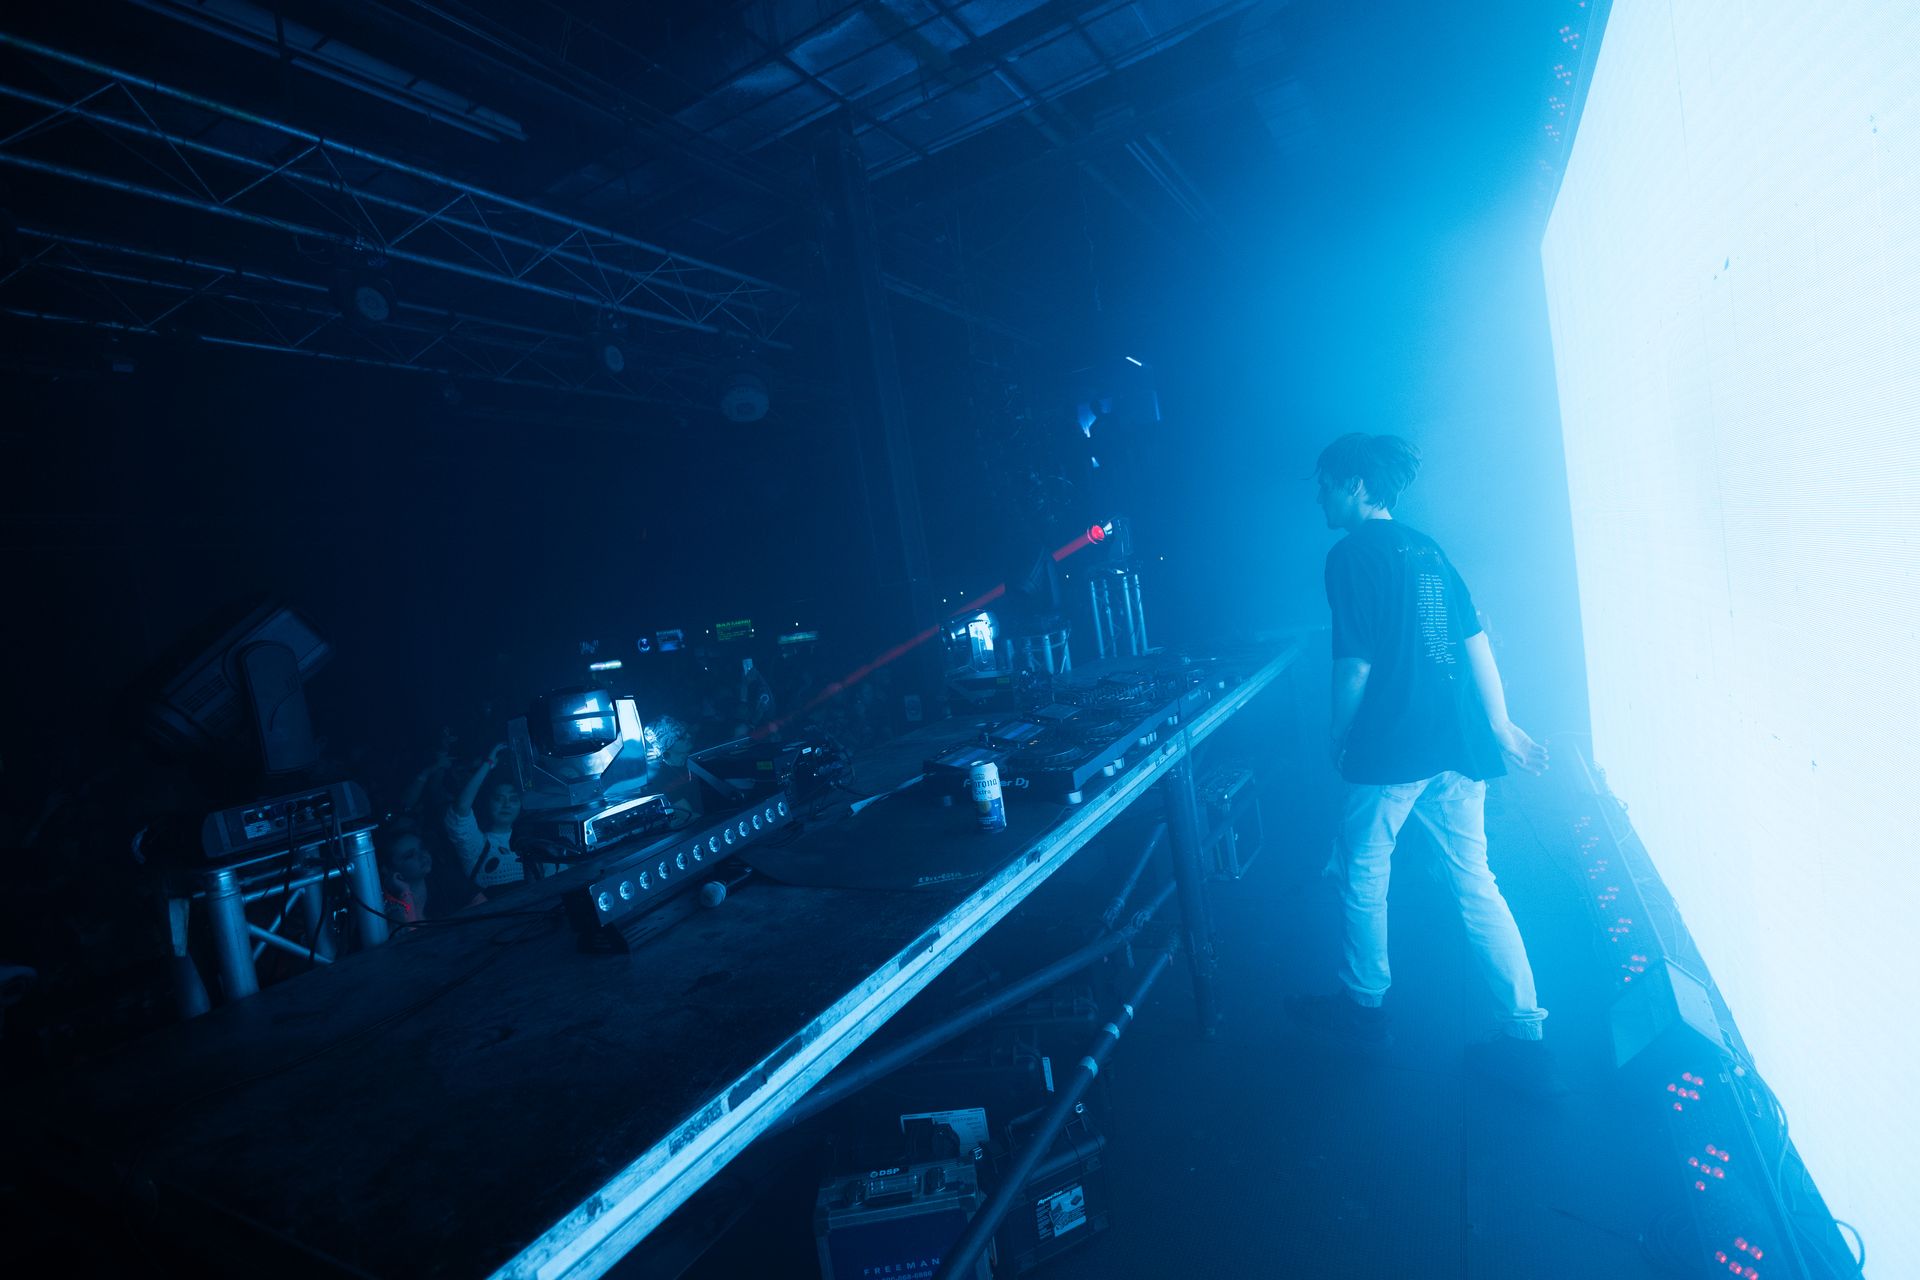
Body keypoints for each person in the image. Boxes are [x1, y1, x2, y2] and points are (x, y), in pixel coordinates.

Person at [1287, 433, 1560, 1095]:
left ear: (1356, 485)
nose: (1319, 495)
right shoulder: (1429, 550)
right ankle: (1525, 1033)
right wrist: (1500, 725)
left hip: (1394, 745)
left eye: (1326, 483)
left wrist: (1336, 734)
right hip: (1457, 744)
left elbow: (1355, 663)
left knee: (1362, 870)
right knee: (1476, 881)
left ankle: (1363, 1009)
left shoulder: (1350, 555)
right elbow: (1474, 641)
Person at [443, 743, 530, 904]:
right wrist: (488, 764)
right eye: (498, 798)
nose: (506, 804)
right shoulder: (477, 845)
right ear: (488, 803)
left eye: (513, 799)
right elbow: (460, 810)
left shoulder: (530, 842)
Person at [378, 819, 433, 924]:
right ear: (390, 869)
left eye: (422, 848)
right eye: (409, 855)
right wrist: (405, 893)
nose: (422, 855)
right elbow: (412, 931)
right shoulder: (392, 914)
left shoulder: (444, 889)